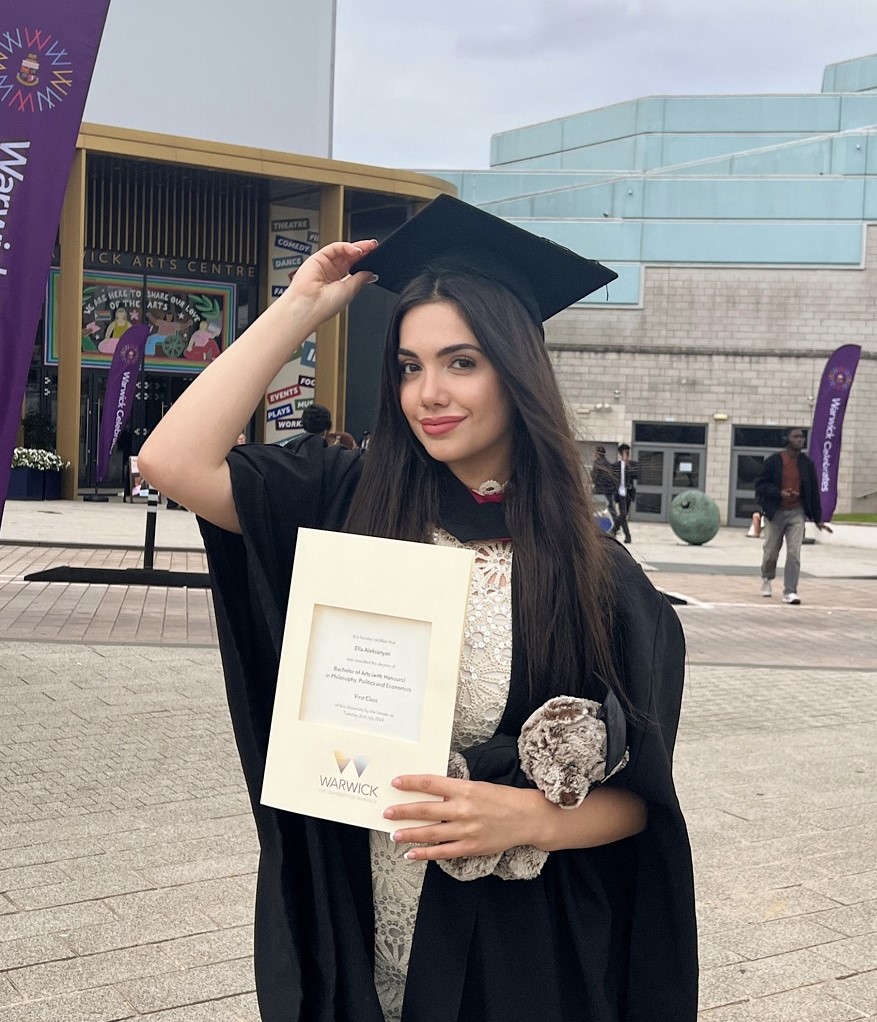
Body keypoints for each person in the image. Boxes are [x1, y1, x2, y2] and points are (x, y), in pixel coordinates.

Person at [138, 194, 696, 1022]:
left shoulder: (595, 575)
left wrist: (529, 816)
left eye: (460, 362)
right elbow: (172, 460)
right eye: (408, 365)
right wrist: (300, 307)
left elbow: (641, 807)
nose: (428, 392)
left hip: (509, 943)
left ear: (517, 370)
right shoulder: (350, 498)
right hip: (356, 914)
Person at [755, 427, 832, 604]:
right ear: (787, 439)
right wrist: (780, 493)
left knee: (794, 553)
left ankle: (790, 591)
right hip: (776, 513)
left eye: (802, 437)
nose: (800, 440)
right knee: (771, 552)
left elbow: (813, 492)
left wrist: (818, 519)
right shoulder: (774, 461)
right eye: (796, 436)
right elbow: (761, 485)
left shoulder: (806, 463)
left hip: (797, 513)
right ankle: (767, 578)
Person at [609, 443, 638, 543]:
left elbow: (636, 476)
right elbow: (611, 479)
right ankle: (620, 533)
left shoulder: (633, 464)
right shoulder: (615, 466)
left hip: (628, 493)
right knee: (623, 514)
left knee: (623, 515)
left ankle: (619, 533)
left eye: (628, 452)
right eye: (626, 453)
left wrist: (627, 465)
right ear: (621, 454)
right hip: (619, 493)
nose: (628, 454)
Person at [590, 445, 615, 510]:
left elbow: (594, 476)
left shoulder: (597, 463)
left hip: (599, 489)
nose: (594, 454)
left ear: (598, 454)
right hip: (609, 489)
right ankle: (614, 519)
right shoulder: (608, 463)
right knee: (610, 507)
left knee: (594, 506)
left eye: (595, 452)